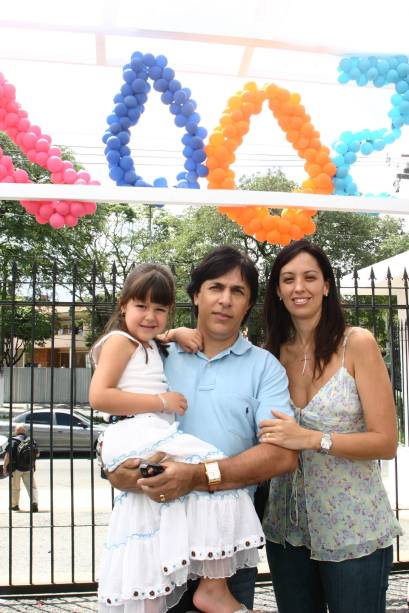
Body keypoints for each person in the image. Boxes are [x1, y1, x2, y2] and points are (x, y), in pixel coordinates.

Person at [105, 246, 297, 612]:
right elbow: (115, 417)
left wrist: (196, 476)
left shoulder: (265, 368)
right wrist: (114, 472)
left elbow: (283, 453)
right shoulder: (153, 354)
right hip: (153, 532)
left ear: (248, 304)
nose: (225, 300)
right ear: (196, 295)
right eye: (215, 287)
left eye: (237, 291)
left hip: (224, 538)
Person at [259, 239, 402, 613]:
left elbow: (386, 442)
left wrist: (310, 439)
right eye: (288, 279)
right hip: (286, 531)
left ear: (326, 285)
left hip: (352, 526)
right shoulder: (269, 353)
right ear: (277, 290)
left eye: (309, 277)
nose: (298, 287)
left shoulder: (357, 344)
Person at [3, 424, 39, 512]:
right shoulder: (31, 440)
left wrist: (4, 467)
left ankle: (14, 505)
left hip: (16, 469)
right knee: (31, 487)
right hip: (28, 468)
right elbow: (37, 454)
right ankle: (34, 503)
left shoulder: (13, 441)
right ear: (24, 431)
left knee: (15, 487)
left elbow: (8, 456)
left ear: (16, 431)